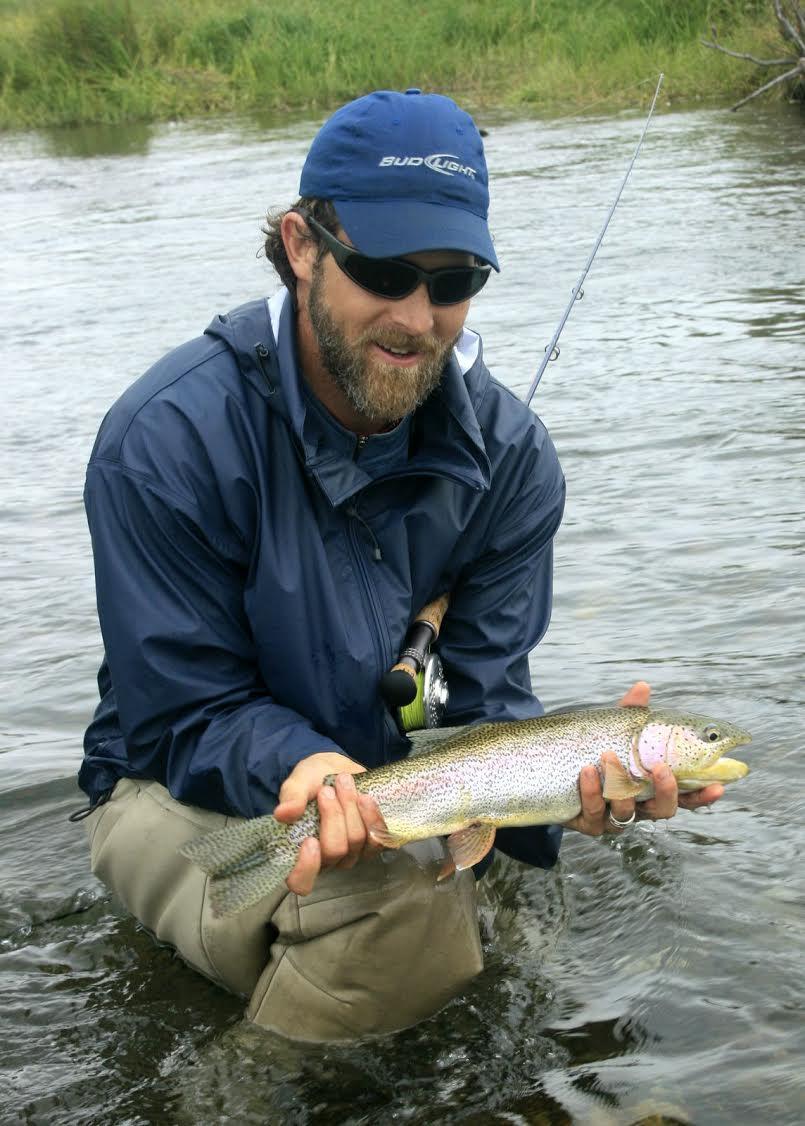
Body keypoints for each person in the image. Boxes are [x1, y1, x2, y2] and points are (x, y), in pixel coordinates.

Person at [77, 89, 724, 1041]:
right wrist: (300, 763)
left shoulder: (510, 459)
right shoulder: (166, 437)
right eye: (384, 271)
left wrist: (572, 801)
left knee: (475, 915)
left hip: (395, 783)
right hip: (171, 782)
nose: (418, 318)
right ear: (301, 246)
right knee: (413, 913)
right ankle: (243, 1093)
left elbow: (490, 704)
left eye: (455, 281)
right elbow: (183, 710)